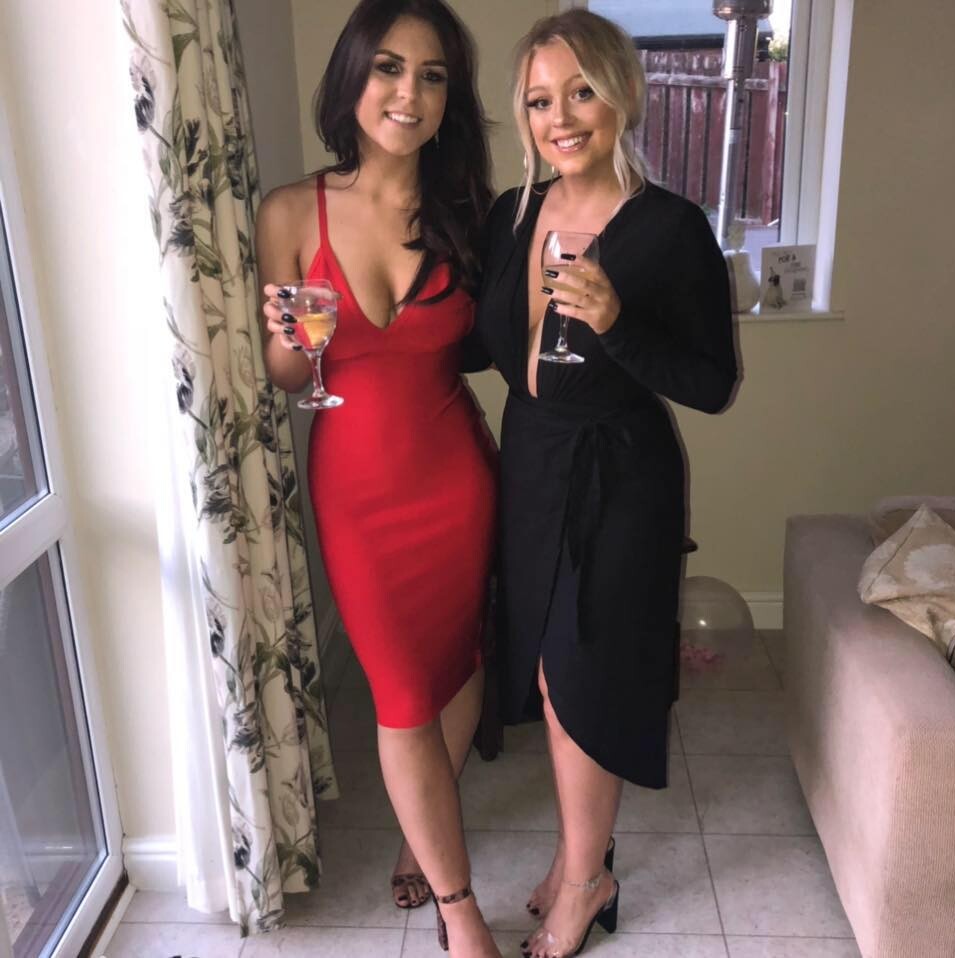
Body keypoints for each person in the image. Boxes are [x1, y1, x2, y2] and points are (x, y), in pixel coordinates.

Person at [464, 10, 738, 957]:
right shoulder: (513, 213)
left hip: (621, 473)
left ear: (623, 93)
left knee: (580, 673)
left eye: (581, 91)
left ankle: (586, 881)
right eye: (541, 100)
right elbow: (481, 343)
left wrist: (618, 322)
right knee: (548, 679)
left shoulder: (670, 227)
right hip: (532, 461)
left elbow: (711, 384)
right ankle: (580, 854)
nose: (561, 117)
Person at [255, 1, 500, 954]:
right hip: (356, 494)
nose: (408, 92)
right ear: (352, 76)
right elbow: (288, 377)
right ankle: (460, 908)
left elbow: (502, 337)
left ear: (449, 98)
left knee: (457, 662)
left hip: (456, 478)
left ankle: (419, 837)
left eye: (432, 75)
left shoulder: (468, 211)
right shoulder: (290, 211)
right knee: (399, 693)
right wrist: (288, 338)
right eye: (389, 67)